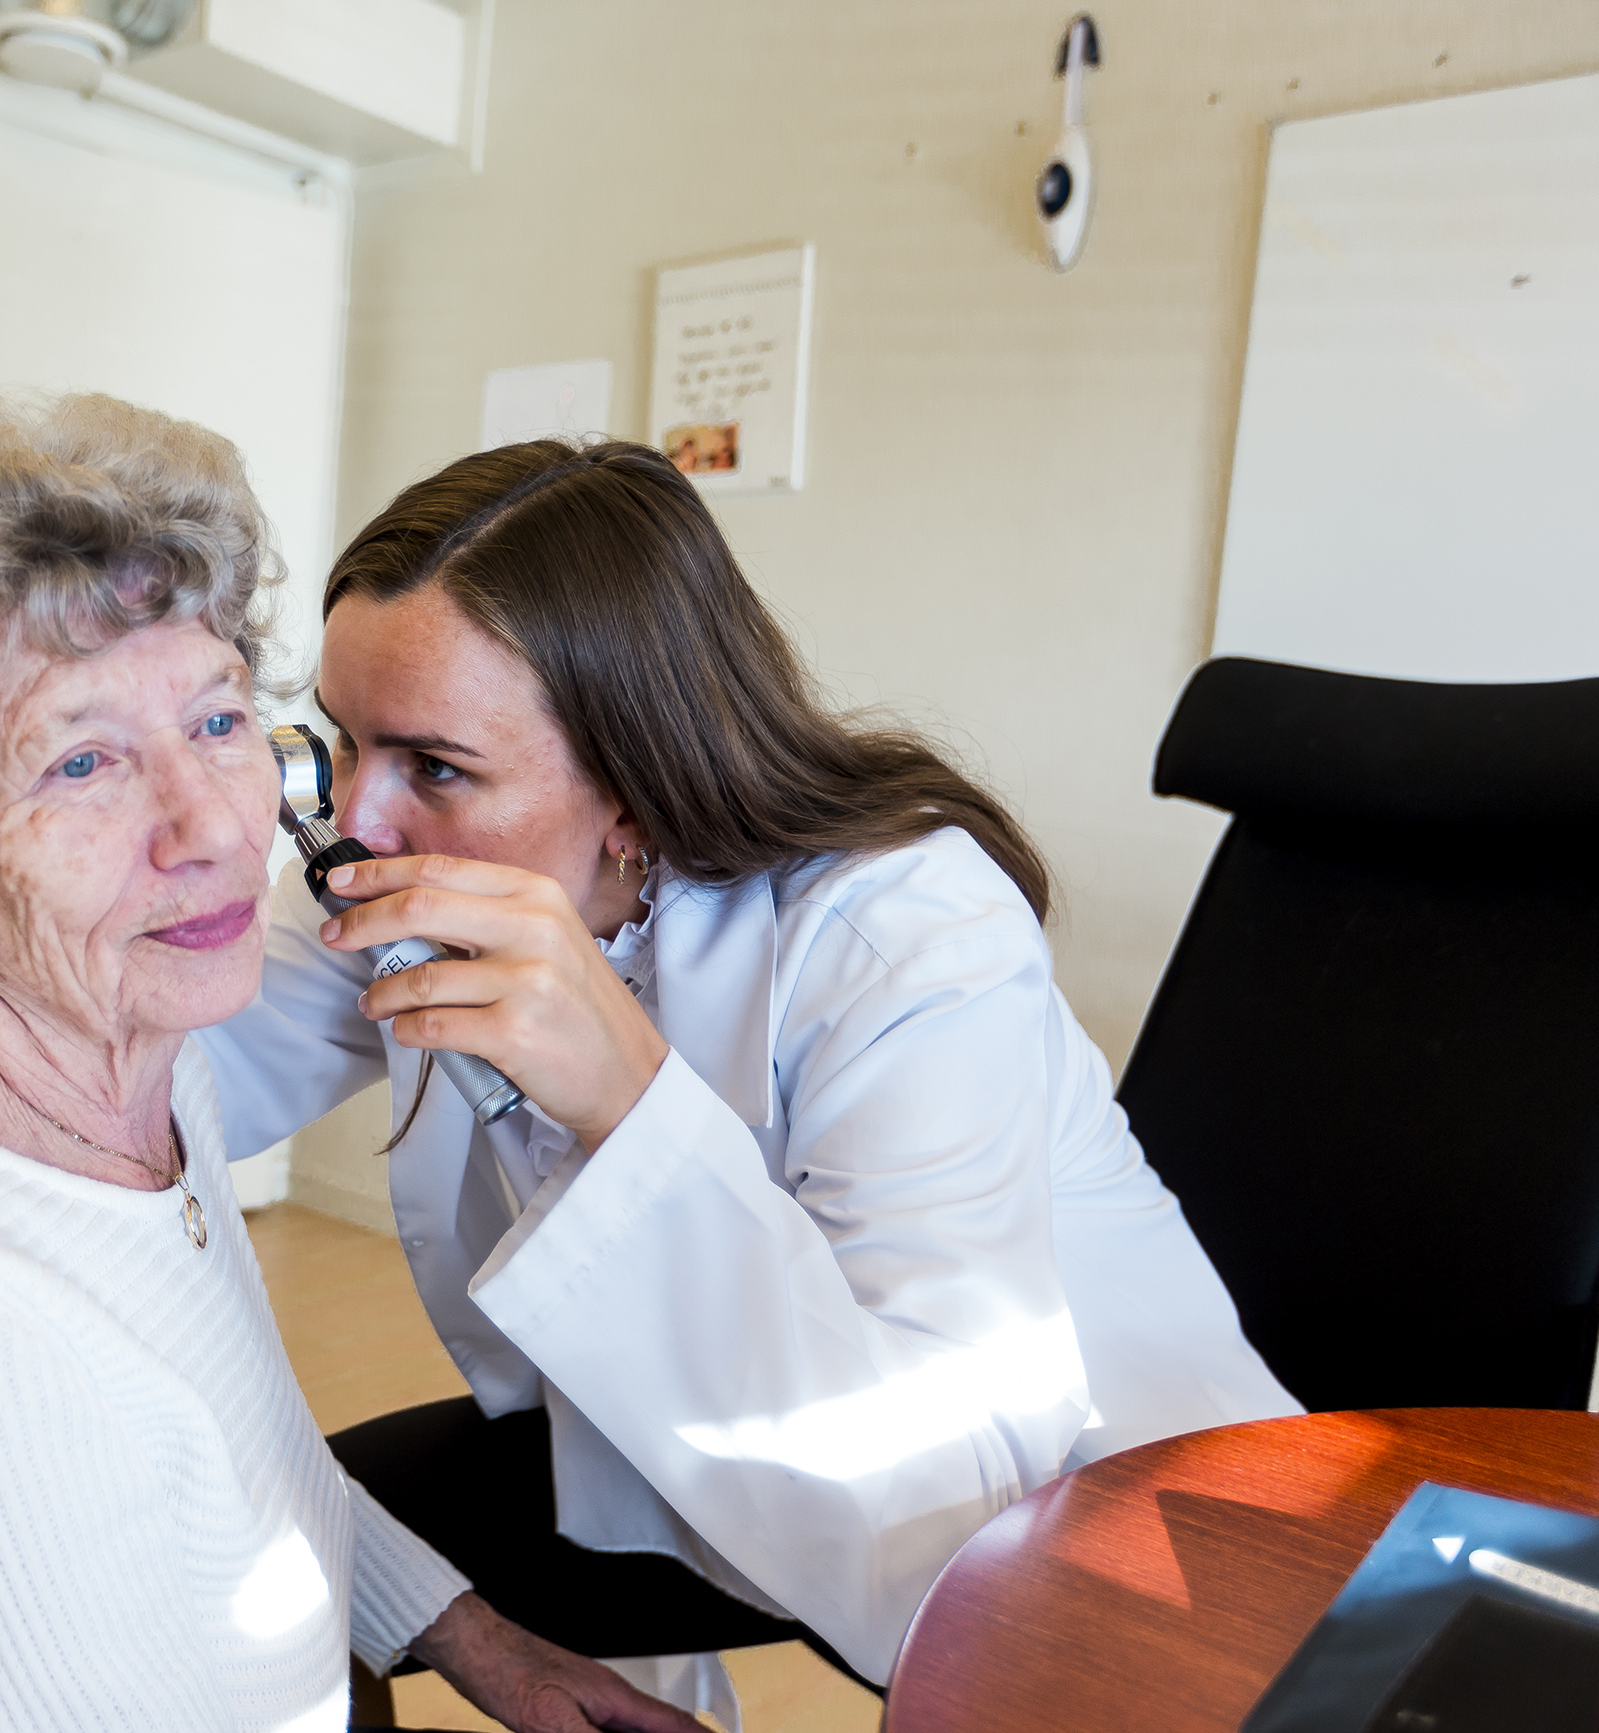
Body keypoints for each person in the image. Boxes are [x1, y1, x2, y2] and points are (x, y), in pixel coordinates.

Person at [0, 391, 705, 1733]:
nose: (215, 827)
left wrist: (475, 1638)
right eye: (83, 761)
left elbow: (245, 1442)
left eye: (221, 721)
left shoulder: (138, 1070)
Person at [195, 437, 1301, 1692]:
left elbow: (933, 1506)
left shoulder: (902, 930)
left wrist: (630, 1109)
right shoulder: (401, 869)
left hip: (1075, 1530)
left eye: (433, 765)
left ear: (633, 792)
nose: (354, 821)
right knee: (283, 1569)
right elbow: (163, 1086)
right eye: (342, 742)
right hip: (677, 1448)